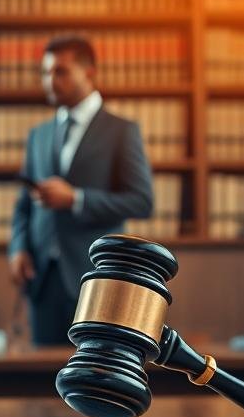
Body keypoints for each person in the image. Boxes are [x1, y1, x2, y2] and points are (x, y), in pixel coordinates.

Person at [9, 35, 153, 346]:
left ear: (89, 73)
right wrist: (18, 248)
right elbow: (24, 205)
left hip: (97, 279)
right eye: (45, 73)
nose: (49, 81)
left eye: (59, 72)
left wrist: (76, 198)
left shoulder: (121, 131)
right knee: (43, 383)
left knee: (95, 378)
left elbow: (142, 201)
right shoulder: (39, 135)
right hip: (42, 279)